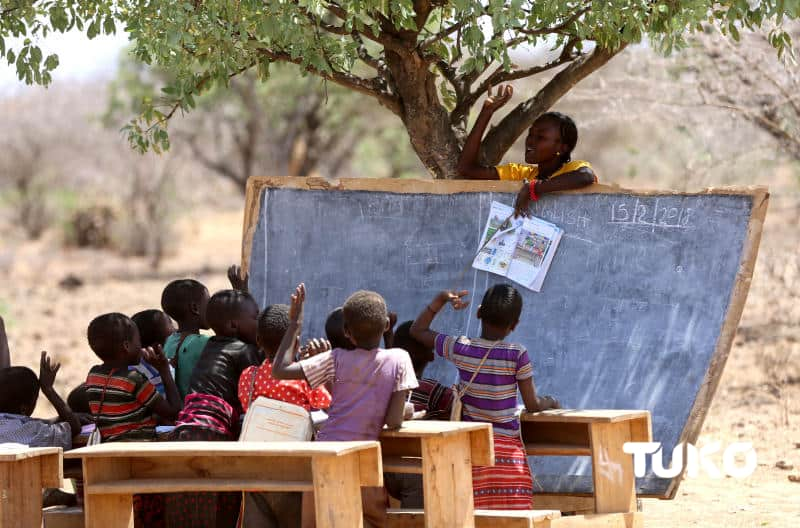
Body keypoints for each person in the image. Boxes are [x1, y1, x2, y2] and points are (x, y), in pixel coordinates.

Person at [272, 285, 418, 528]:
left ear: (347, 332)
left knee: (315, 522)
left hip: (323, 457)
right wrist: (406, 411)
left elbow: (280, 370)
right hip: (362, 460)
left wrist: (295, 323)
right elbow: (393, 421)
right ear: (386, 326)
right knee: (369, 521)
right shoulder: (399, 358)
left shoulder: (335, 358)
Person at [410, 284, 560, 510]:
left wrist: (440, 299)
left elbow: (417, 331)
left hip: (473, 455)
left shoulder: (461, 348)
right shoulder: (517, 354)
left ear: (479, 312)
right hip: (509, 461)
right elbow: (532, 404)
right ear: (515, 324)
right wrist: (551, 401)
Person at [165, 289, 264, 528]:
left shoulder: (210, 345)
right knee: (225, 495)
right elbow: (255, 392)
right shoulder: (243, 351)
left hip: (186, 425)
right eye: (255, 318)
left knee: (189, 497)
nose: (259, 323)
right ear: (233, 325)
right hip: (213, 429)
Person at [237, 304, 332, 528]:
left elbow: (246, 404)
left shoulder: (248, 377)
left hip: (255, 474)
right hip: (293, 473)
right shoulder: (303, 379)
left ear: (258, 341)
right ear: (296, 342)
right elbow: (328, 405)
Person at [457, 84, 596, 216]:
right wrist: (487, 112)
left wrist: (533, 188)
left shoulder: (573, 169)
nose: (530, 141)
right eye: (530, 134)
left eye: (541, 137)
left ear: (562, 148)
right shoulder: (521, 174)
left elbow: (585, 176)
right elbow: (467, 168)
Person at [84, 313, 182, 442]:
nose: (141, 347)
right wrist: (164, 370)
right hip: (138, 450)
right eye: (138, 341)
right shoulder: (133, 379)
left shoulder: (93, 376)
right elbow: (173, 412)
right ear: (126, 346)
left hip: (109, 448)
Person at [0, 352, 81, 448]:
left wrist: (55, 420)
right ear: (24, 409)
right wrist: (48, 390)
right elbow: (74, 428)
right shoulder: (32, 432)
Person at [161, 279, 211, 400]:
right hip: (198, 411)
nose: (212, 308)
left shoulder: (170, 341)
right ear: (195, 308)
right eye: (208, 302)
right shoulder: (203, 343)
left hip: (179, 410)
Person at [131, 309, 176, 395]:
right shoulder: (157, 375)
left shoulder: (130, 367)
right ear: (155, 348)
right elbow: (174, 404)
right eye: (172, 335)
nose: (177, 333)